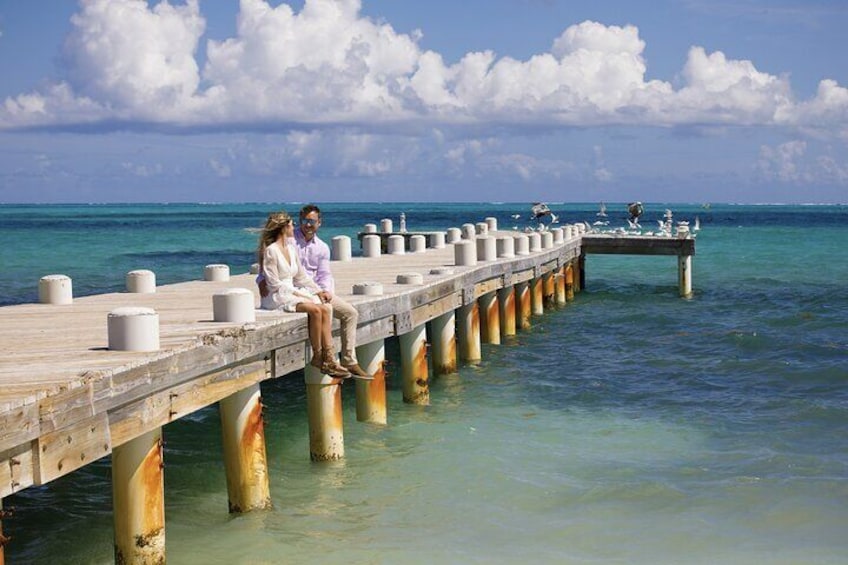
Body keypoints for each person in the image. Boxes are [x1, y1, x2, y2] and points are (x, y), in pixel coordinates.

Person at [259, 204, 373, 379]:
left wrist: (322, 291)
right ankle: (323, 357)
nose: (307, 224)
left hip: (309, 289)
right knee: (318, 308)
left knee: (348, 312)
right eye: (303, 221)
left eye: (312, 221)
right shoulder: (285, 244)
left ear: (319, 223)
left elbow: (318, 274)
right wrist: (261, 282)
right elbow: (269, 275)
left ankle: (343, 360)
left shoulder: (321, 247)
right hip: (287, 292)